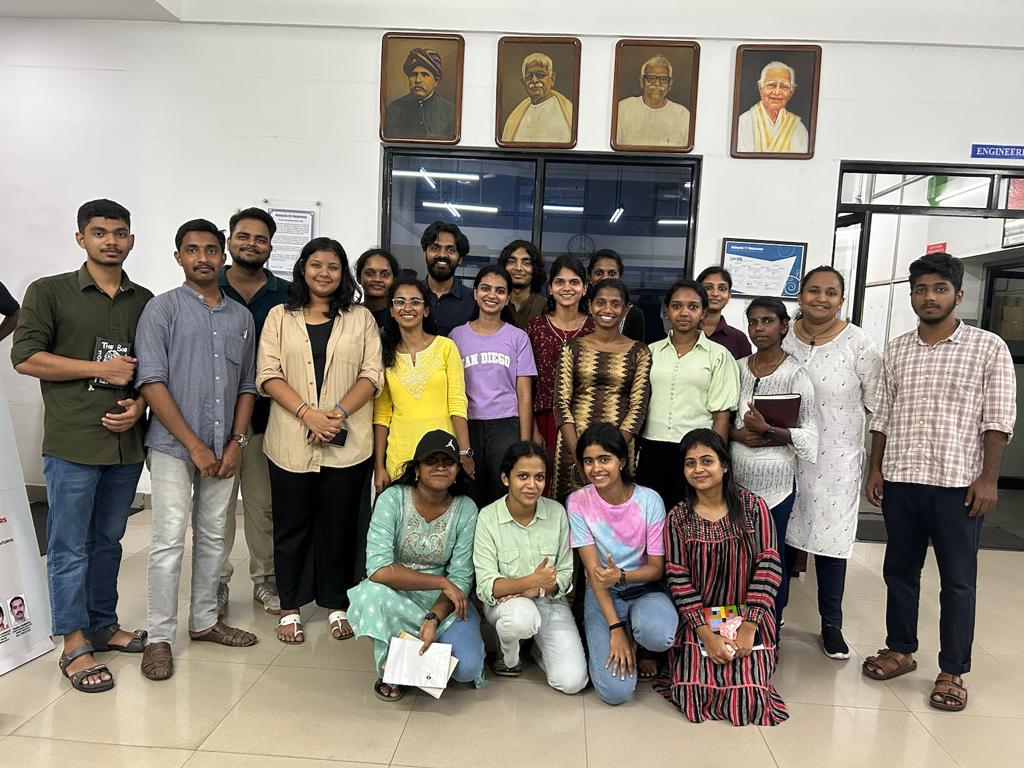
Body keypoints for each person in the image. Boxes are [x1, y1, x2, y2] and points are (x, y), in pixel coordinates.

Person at [862, 252, 1015, 713]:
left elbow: (999, 419)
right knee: (899, 572)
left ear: (958, 295)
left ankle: (953, 670)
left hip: (958, 485)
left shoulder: (988, 348)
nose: (930, 297)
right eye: (922, 290)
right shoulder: (898, 348)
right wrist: (876, 468)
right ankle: (901, 649)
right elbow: (883, 416)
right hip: (903, 479)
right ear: (911, 296)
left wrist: (988, 478)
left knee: (958, 582)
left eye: (939, 289)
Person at [12, 198, 153, 694]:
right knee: (69, 546)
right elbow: (25, 357)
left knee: (108, 542)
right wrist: (98, 369)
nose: (110, 241)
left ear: (131, 240)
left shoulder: (144, 299)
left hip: (125, 445)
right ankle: (73, 640)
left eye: (119, 233)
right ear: (81, 239)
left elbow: (149, 370)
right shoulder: (49, 292)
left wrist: (138, 405)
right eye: (99, 232)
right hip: (73, 441)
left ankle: (102, 624)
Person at [136, 219, 259, 682]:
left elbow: (247, 385)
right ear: (178, 257)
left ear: (223, 256)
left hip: (223, 448)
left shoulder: (240, 317)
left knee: (212, 536)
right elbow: (151, 381)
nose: (203, 258)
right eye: (193, 250)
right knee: (168, 539)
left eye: (211, 250)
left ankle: (205, 621)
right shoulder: (161, 310)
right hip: (172, 446)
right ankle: (160, 636)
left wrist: (235, 443)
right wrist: (194, 446)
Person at [256, 237, 382, 645]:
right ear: (303, 269)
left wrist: (337, 414)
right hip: (290, 440)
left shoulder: (360, 318)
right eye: (316, 265)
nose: (323, 273)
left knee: (339, 528)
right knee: (291, 525)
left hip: (348, 442)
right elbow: (268, 373)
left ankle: (335, 603)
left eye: (332, 266)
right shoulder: (279, 316)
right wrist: (307, 413)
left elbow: (371, 374)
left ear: (342, 273)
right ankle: (290, 606)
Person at [655, 429, 789, 726]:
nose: (699, 469)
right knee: (693, 692)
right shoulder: (678, 517)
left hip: (748, 616)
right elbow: (677, 577)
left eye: (707, 460)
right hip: (697, 619)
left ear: (724, 465)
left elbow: (769, 566)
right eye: (690, 463)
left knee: (750, 696)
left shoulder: (754, 508)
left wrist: (749, 626)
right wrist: (705, 634)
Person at [782, 266, 882, 659]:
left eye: (830, 293)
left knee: (831, 544)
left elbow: (879, 406)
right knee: (780, 539)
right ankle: (773, 616)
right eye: (812, 291)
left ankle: (832, 625)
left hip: (836, 460)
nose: (820, 299)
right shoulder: (785, 337)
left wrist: (878, 465)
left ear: (842, 299)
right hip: (785, 455)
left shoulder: (859, 343)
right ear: (801, 295)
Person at [348, 430, 485, 701]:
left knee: (467, 669)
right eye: (431, 461)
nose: (440, 467)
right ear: (417, 469)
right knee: (369, 593)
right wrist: (441, 581)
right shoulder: (393, 499)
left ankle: (422, 652)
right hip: (395, 594)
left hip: (443, 603)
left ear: (457, 470)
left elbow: (460, 579)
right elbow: (378, 570)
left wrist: (434, 616)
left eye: (448, 462)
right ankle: (393, 668)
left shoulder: (466, 509)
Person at [568, 423, 677, 705]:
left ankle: (643, 646)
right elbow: (595, 574)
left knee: (659, 635)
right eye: (588, 461)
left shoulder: (649, 500)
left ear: (622, 461)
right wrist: (615, 629)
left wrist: (623, 576)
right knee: (615, 692)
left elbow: (657, 568)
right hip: (604, 593)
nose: (596, 468)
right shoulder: (578, 502)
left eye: (604, 459)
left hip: (644, 587)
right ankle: (624, 630)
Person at [217, 206, 290, 619]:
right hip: (215, 422)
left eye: (260, 239)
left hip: (266, 420)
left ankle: (265, 579)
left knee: (263, 506)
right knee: (218, 507)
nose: (251, 244)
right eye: (243, 236)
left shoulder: (283, 294)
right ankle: (217, 581)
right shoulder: (208, 286)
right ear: (230, 241)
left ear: (270, 247)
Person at [730, 296, 817, 632]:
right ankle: (736, 624)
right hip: (736, 481)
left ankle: (770, 626)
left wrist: (768, 430)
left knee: (771, 558)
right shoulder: (737, 368)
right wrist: (739, 435)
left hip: (777, 486)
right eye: (753, 321)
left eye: (767, 321)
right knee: (737, 557)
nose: (759, 328)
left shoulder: (796, 374)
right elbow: (720, 420)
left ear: (783, 326)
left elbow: (809, 435)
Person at [474, 441, 588, 692]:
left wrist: (535, 590)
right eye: (522, 476)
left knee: (572, 682)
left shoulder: (557, 513)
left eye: (539, 477)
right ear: (506, 478)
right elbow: (486, 587)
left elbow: (566, 575)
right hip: (506, 605)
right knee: (521, 618)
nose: (531, 485)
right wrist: (530, 583)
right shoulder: (488, 517)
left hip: (549, 601)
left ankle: (537, 646)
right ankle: (508, 659)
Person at [637, 280, 739, 511]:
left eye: (693, 307)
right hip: (652, 449)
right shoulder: (649, 352)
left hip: (696, 452)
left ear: (703, 312)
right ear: (666, 310)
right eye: (677, 306)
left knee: (692, 516)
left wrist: (715, 461)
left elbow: (721, 415)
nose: (684, 312)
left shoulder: (719, 356)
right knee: (652, 517)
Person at [552, 278, 651, 501]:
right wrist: (580, 454)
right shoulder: (572, 348)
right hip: (573, 445)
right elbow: (560, 402)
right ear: (590, 306)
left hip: (620, 447)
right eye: (601, 302)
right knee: (570, 513)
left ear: (625, 310)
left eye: (615, 304)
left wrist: (612, 452)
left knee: (615, 514)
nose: (607, 309)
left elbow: (638, 407)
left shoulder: (639, 352)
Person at [451, 266, 537, 508]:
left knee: (503, 494)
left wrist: (524, 443)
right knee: (468, 493)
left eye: (500, 291)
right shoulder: (456, 336)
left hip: (506, 424)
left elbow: (524, 394)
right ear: (475, 293)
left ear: (508, 298)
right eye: (486, 288)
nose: (492, 295)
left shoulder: (518, 338)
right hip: (468, 425)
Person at [374, 274, 469, 489]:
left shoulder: (445, 347)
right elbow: (382, 414)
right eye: (400, 302)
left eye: (415, 302)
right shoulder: (384, 354)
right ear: (391, 310)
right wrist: (379, 466)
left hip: (442, 455)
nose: (408, 307)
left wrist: (464, 451)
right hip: (400, 454)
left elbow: (457, 403)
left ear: (425, 310)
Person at [526, 254, 594, 456]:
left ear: (585, 289)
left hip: (585, 419)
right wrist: (533, 429)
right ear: (549, 288)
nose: (567, 288)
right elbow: (526, 385)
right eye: (559, 282)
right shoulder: (535, 327)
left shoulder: (595, 328)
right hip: (544, 418)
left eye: (574, 282)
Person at [615, 55, 691, 147]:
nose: (657, 84)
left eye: (663, 79)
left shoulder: (683, 115)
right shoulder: (622, 109)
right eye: (651, 78)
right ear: (642, 82)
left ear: (670, 84)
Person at [735, 61, 809, 154]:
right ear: (760, 88)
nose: (777, 92)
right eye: (771, 85)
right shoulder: (743, 123)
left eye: (784, 87)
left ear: (791, 92)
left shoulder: (798, 127)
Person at [384, 47, 457, 140]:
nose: (418, 80)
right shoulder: (394, 108)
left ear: (436, 81)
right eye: (414, 75)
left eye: (424, 75)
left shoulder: (450, 112)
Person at [501, 52, 573, 144]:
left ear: (552, 79)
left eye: (540, 74)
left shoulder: (568, 112)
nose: (534, 80)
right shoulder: (515, 116)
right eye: (529, 76)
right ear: (523, 82)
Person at [421, 220, 475, 336]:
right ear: (425, 253)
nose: (442, 255)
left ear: (460, 258)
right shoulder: (411, 296)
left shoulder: (473, 301)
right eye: (435, 248)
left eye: (451, 250)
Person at [588, 249, 645, 341]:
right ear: (590, 276)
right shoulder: (579, 309)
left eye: (612, 273)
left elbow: (636, 352)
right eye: (598, 273)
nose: (605, 278)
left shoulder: (633, 314)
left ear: (620, 277)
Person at [697, 266, 752, 360]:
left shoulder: (739, 339)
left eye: (722, 288)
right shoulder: (685, 332)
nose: (715, 293)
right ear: (697, 292)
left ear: (729, 295)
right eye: (708, 288)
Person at [498, 239, 547, 329]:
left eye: (526, 263)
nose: (518, 268)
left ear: (535, 269)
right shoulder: (495, 302)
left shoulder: (545, 307)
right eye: (512, 261)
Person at [356, 247, 399, 327]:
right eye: (369, 273)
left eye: (385, 275)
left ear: (394, 280)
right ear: (359, 278)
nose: (377, 279)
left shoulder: (401, 316)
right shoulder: (349, 316)